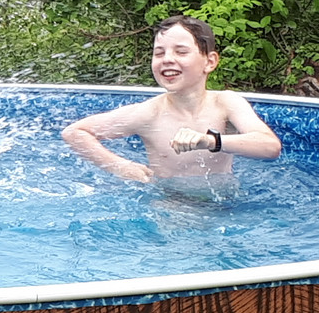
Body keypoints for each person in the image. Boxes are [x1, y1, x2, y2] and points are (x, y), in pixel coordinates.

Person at [61, 15, 282, 186]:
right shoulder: (149, 114)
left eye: (181, 52)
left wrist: (210, 141)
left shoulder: (225, 104)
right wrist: (121, 166)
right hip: (171, 205)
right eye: (159, 53)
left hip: (224, 204)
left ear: (210, 62)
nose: (167, 59)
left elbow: (270, 146)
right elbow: (75, 132)